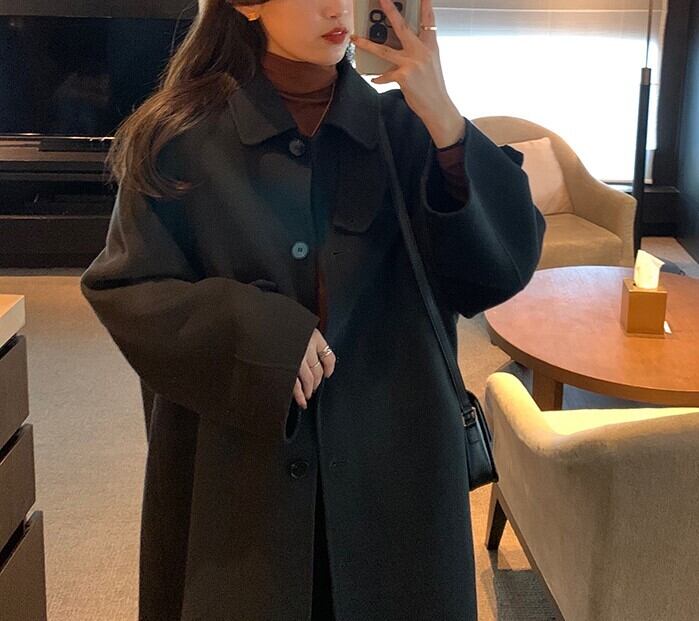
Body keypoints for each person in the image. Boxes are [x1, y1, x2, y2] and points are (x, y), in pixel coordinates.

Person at [80, 0, 546, 619]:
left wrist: (444, 118)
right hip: (242, 488)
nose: (338, 7)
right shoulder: (182, 137)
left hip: (396, 481)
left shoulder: (407, 131)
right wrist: (259, 333)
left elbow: (501, 270)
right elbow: (127, 288)